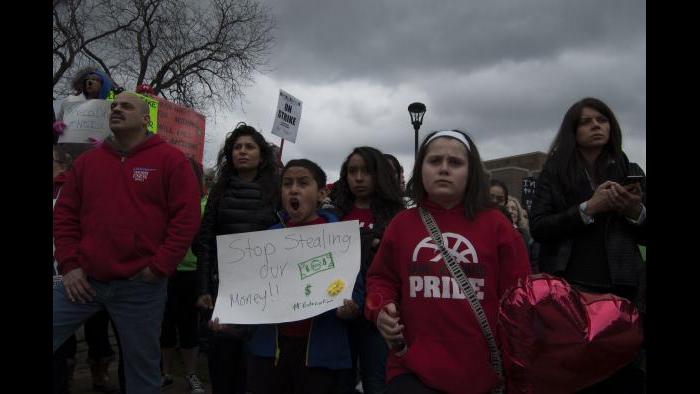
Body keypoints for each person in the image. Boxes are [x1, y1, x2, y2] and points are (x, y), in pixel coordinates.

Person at [53, 92, 202, 394]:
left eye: (126, 106)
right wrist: (69, 265)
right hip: (84, 280)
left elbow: (186, 219)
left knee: (142, 372)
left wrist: (159, 267)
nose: (117, 109)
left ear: (146, 118)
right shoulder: (87, 163)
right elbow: (65, 215)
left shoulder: (170, 160)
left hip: (141, 288)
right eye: (114, 106)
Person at [365, 130, 530, 394]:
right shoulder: (401, 224)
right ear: (421, 170)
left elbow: (520, 297)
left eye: (455, 162)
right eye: (434, 161)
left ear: (471, 172)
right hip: (411, 369)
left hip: (482, 375)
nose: (443, 169)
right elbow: (380, 279)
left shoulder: (498, 226)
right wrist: (381, 309)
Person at [529, 97, 646, 393]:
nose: (595, 125)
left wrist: (634, 211)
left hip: (621, 288)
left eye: (602, 119)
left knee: (621, 373)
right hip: (571, 288)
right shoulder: (554, 172)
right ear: (573, 131)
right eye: (586, 121)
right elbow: (539, 226)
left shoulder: (629, 168)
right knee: (573, 374)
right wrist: (588, 208)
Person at [225, 158, 363, 394]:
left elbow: (357, 291)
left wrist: (351, 308)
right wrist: (232, 319)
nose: (294, 189)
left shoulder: (340, 238)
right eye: (287, 184)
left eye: (303, 183)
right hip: (269, 352)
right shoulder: (267, 239)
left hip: (319, 353)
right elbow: (254, 295)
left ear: (321, 194)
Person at [193, 123, 280, 394]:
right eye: (237, 147)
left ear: (262, 156)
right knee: (222, 363)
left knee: (254, 367)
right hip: (223, 292)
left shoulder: (275, 193)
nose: (242, 152)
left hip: (263, 293)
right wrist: (204, 289)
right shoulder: (219, 192)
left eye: (249, 147)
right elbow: (204, 242)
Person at [333, 147, 405, 394]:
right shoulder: (335, 214)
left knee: (376, 382)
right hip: (340, 314)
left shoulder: (398, 216)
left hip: (378, 318)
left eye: (367, 171)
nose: (359, 178)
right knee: (341, 382)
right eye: (353, 171)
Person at [160, 159, 207, 394]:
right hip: (165, 273)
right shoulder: (164, 203)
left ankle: (190, 374)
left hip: (193, 274)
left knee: (189, 326)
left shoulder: (206, 204)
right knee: (165, 325)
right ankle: (165, 373)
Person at [54, 67, 117, 158]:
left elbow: (116, 135)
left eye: (95, 80)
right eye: (87, 79)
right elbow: (59, 123)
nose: (90, 82)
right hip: (68, 155)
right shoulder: (70, 101)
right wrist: (56, 128)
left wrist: (106, 144)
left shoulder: (111, 107)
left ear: (103, 84)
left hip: (96, 157)